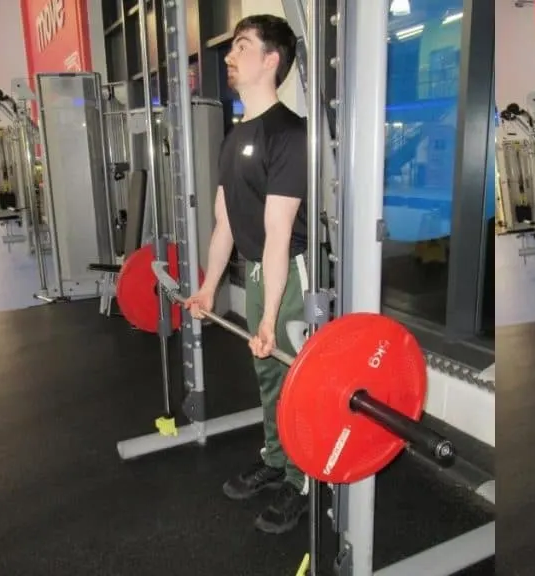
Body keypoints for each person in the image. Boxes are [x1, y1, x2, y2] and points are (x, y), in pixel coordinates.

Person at [184, 14, 311, 535]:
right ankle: (278, 459)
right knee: (267, 376)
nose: (230, 56)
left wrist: (273, 313)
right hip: (258, 273)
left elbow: (279, 232)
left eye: (242, 46)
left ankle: (302, 480)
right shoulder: (234, 139)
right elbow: (225, 224)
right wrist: (209, 286)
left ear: (272, 59)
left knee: (296, 381)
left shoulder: (290, 134)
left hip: (292, 278)